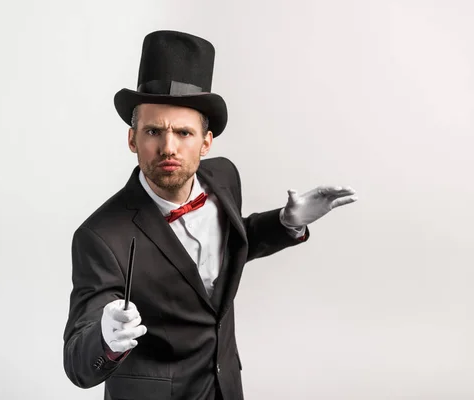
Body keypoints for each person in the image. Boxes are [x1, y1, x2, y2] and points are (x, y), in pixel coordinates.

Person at [62, 30, 358, 400]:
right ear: (132, 139)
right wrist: (105, 339)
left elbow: (232, 244)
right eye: (153, 131)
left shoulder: (224, 177)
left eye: (183, 132)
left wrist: (286, 221)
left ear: (205, 142)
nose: (168, 147)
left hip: (225, 387)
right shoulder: (100, 236)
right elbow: (77, 361)